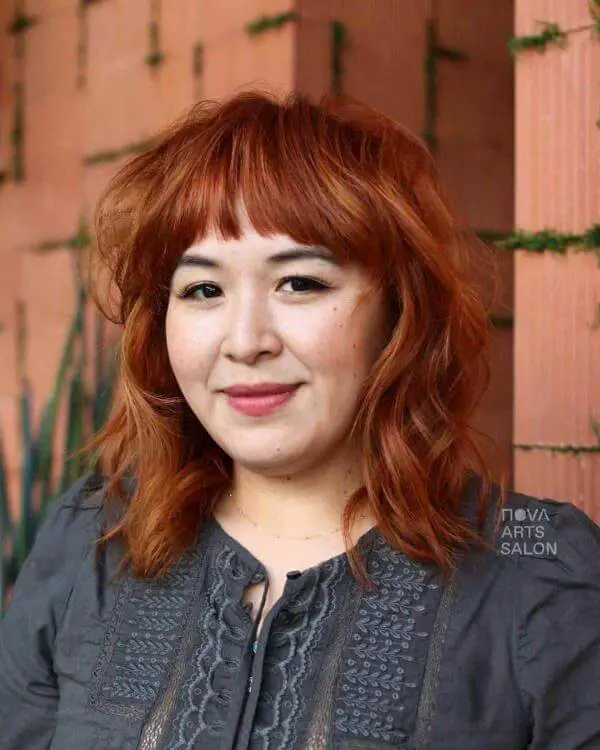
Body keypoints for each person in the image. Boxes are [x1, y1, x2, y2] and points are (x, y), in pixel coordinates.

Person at [1, 89, 599, 750]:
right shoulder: (88, 539)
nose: (245, 340)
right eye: (203, 290)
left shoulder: (543, 563)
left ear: (398, 312)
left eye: (300, 283)